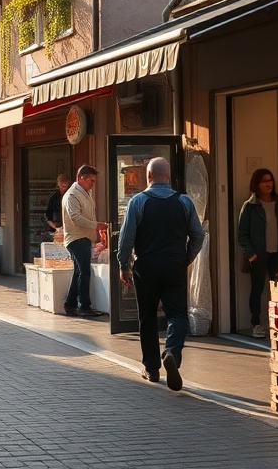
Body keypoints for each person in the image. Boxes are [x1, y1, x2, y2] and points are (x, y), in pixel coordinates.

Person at [117, 157, 205, 391]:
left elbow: (126, 239)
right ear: (168, 176)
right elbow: (198, 235)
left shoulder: (138, 202)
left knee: (147, 317)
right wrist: (186, 258)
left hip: (146, 267)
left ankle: (152, 368)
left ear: (148, 176)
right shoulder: (184, 202)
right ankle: (173, 353)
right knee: (177, 315)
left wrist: (123, 265)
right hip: (175, 265)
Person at [237, 168, 278, 339]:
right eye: (264, 181)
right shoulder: (250, 206)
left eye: (270, 180)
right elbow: (242, 234)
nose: (268, 183)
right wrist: (251, 254)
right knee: (257, 289)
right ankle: (256, 324)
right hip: (258, 255)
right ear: (256, 184)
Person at [61, 165, 106, 318]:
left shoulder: (85, 192)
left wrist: (97, 227)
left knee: (79, 271)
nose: (93, 184)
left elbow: (88, 214)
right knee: (84, 271)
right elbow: (75, 217)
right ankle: (84, 306)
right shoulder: (72, 194)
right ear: (82, 178)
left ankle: (70, 304)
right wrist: (96, 225)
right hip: (76, 238)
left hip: (84, 237)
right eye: (91, 181)